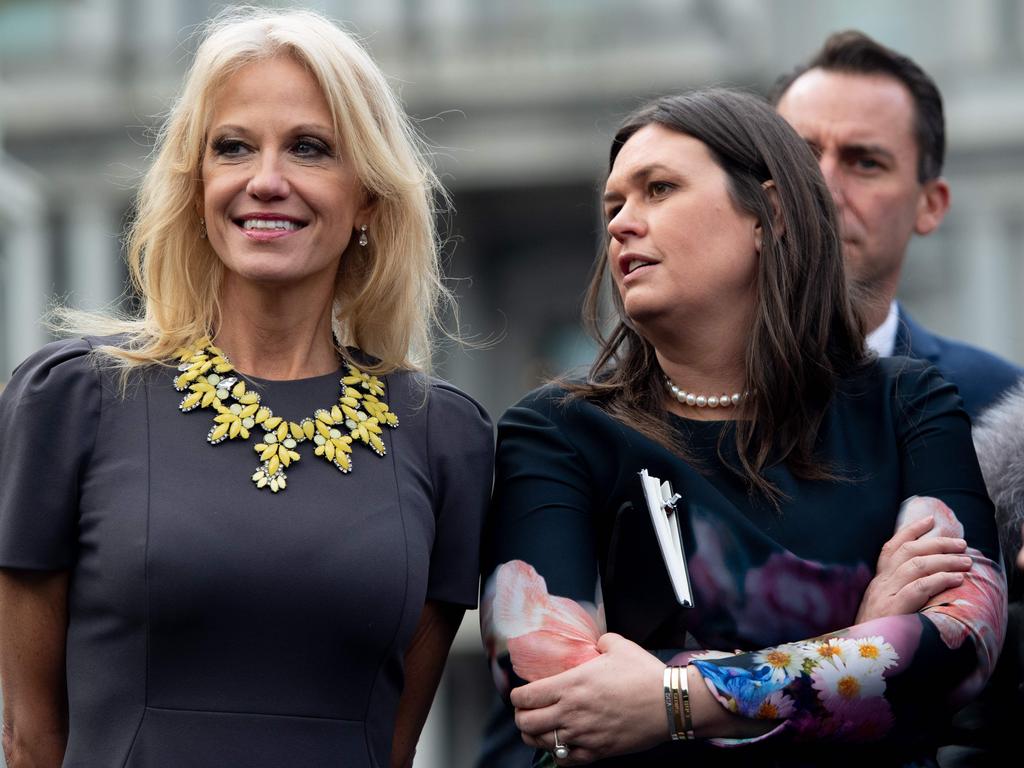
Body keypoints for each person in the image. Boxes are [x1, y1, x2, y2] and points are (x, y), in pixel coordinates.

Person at [0, 8, 492, 767]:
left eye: (309, 148)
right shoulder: (71, 402)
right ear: (197, 185)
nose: (267, 181)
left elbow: (392, 746)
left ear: (367, 195)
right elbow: (32, 739)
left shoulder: (444, 436)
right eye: (232, 148)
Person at [480, 89, 1005, 767]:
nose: (619, 225)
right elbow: (552, 696)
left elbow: (962, 646)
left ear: (770, 213)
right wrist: (865, 641)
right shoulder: (556, 433)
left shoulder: (907, 402)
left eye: (658, 189)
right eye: (613, 206)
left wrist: (671, 697)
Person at [771, 30, 1021, 421]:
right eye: (799, 156)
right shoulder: (668, 396)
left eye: (865, 162)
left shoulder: (1000, 411)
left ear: (930, 206)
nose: (824, 190)